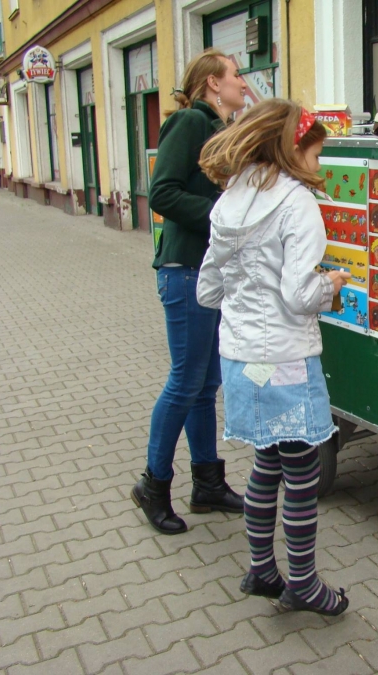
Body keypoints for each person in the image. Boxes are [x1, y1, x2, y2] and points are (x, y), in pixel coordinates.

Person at [197, 99, 351, 616]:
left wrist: (246, 290)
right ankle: (303, 583)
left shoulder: (229, 201)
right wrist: (331, 283)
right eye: (317, 153)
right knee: (302, 470)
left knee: (268, 460)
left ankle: (261, 568)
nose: (319, 165)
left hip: (244, 360)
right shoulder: (296, 204)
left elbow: (207, 290)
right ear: (292, 149)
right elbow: (298, 296)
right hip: (284, 360)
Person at [131, 48, 248, 535]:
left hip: (210, 274)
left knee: (205, 385)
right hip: (185, 272)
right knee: (185, 381)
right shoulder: (189, 122)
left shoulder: (221, 129)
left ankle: (207, 484)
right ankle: (153, 484)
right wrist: (223, 216)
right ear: (212, 83)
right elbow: (162, 192)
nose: (244, 82)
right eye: (236, 75)